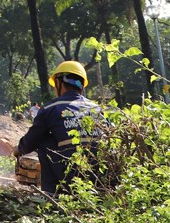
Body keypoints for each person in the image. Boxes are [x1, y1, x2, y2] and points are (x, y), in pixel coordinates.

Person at [13, 60, 104, 196]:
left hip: (71, 175)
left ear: (59, 83)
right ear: (82, 86)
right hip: (99, 177)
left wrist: (18, 149)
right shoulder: (97, 109)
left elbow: (31, 141)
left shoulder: (51, 108)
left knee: (45, 142)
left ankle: (52, 194)